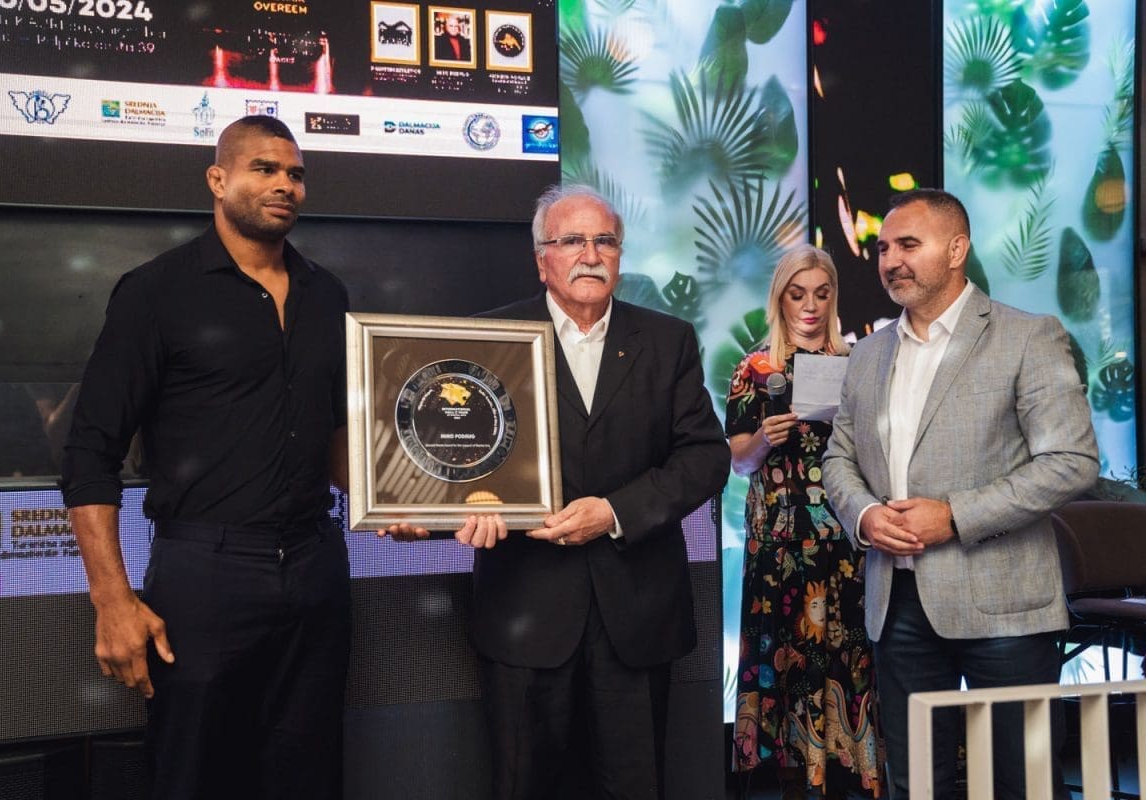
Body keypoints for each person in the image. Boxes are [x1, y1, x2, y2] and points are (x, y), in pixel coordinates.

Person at [392, 184, 729, 799]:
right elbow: (456, 461)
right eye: (572, 240)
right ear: (541, 258)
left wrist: (614, 512)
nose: (591, 255)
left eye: (605, 241)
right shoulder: (489, 338)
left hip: (637, 615)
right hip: (526, 612)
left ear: (620, 254)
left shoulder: (668, 340)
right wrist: (432, 514)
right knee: (523, 786)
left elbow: (706, 458)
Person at [60, 115, 353, 800]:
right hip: (205, 572)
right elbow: (90, 450)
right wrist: (112, 600)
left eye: (295, 174)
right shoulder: (156, 291)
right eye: (264, 168)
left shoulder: (328, 294)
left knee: (308, 774)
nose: (284, 185)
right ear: (218, 180)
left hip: (317, 565)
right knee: (194, 775)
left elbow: (337, 433)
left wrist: (395, 499)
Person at [821, 188, 1099, 800]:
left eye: (908, 245)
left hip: (1006, 607)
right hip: (896, 602)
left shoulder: (1028, 336)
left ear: (956, 249)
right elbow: (838, 457)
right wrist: (864, 515)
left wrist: (955, 516)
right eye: (884, 248)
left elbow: (1072, 461)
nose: (891, 260)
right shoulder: (866, 354)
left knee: (1023, 783)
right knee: (917, 783)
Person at [725, 245, 882, 800]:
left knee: (847, 656)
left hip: (844, 537)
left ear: (833, 296)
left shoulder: (857, 361)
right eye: (798, 294)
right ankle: (792, 776)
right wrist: (764, 440)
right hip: (779, 541)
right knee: (785, 660)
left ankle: (850, 771)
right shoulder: (756, 368)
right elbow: (738, 461)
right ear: (781, 299)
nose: (810, 305)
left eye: (821, 293)